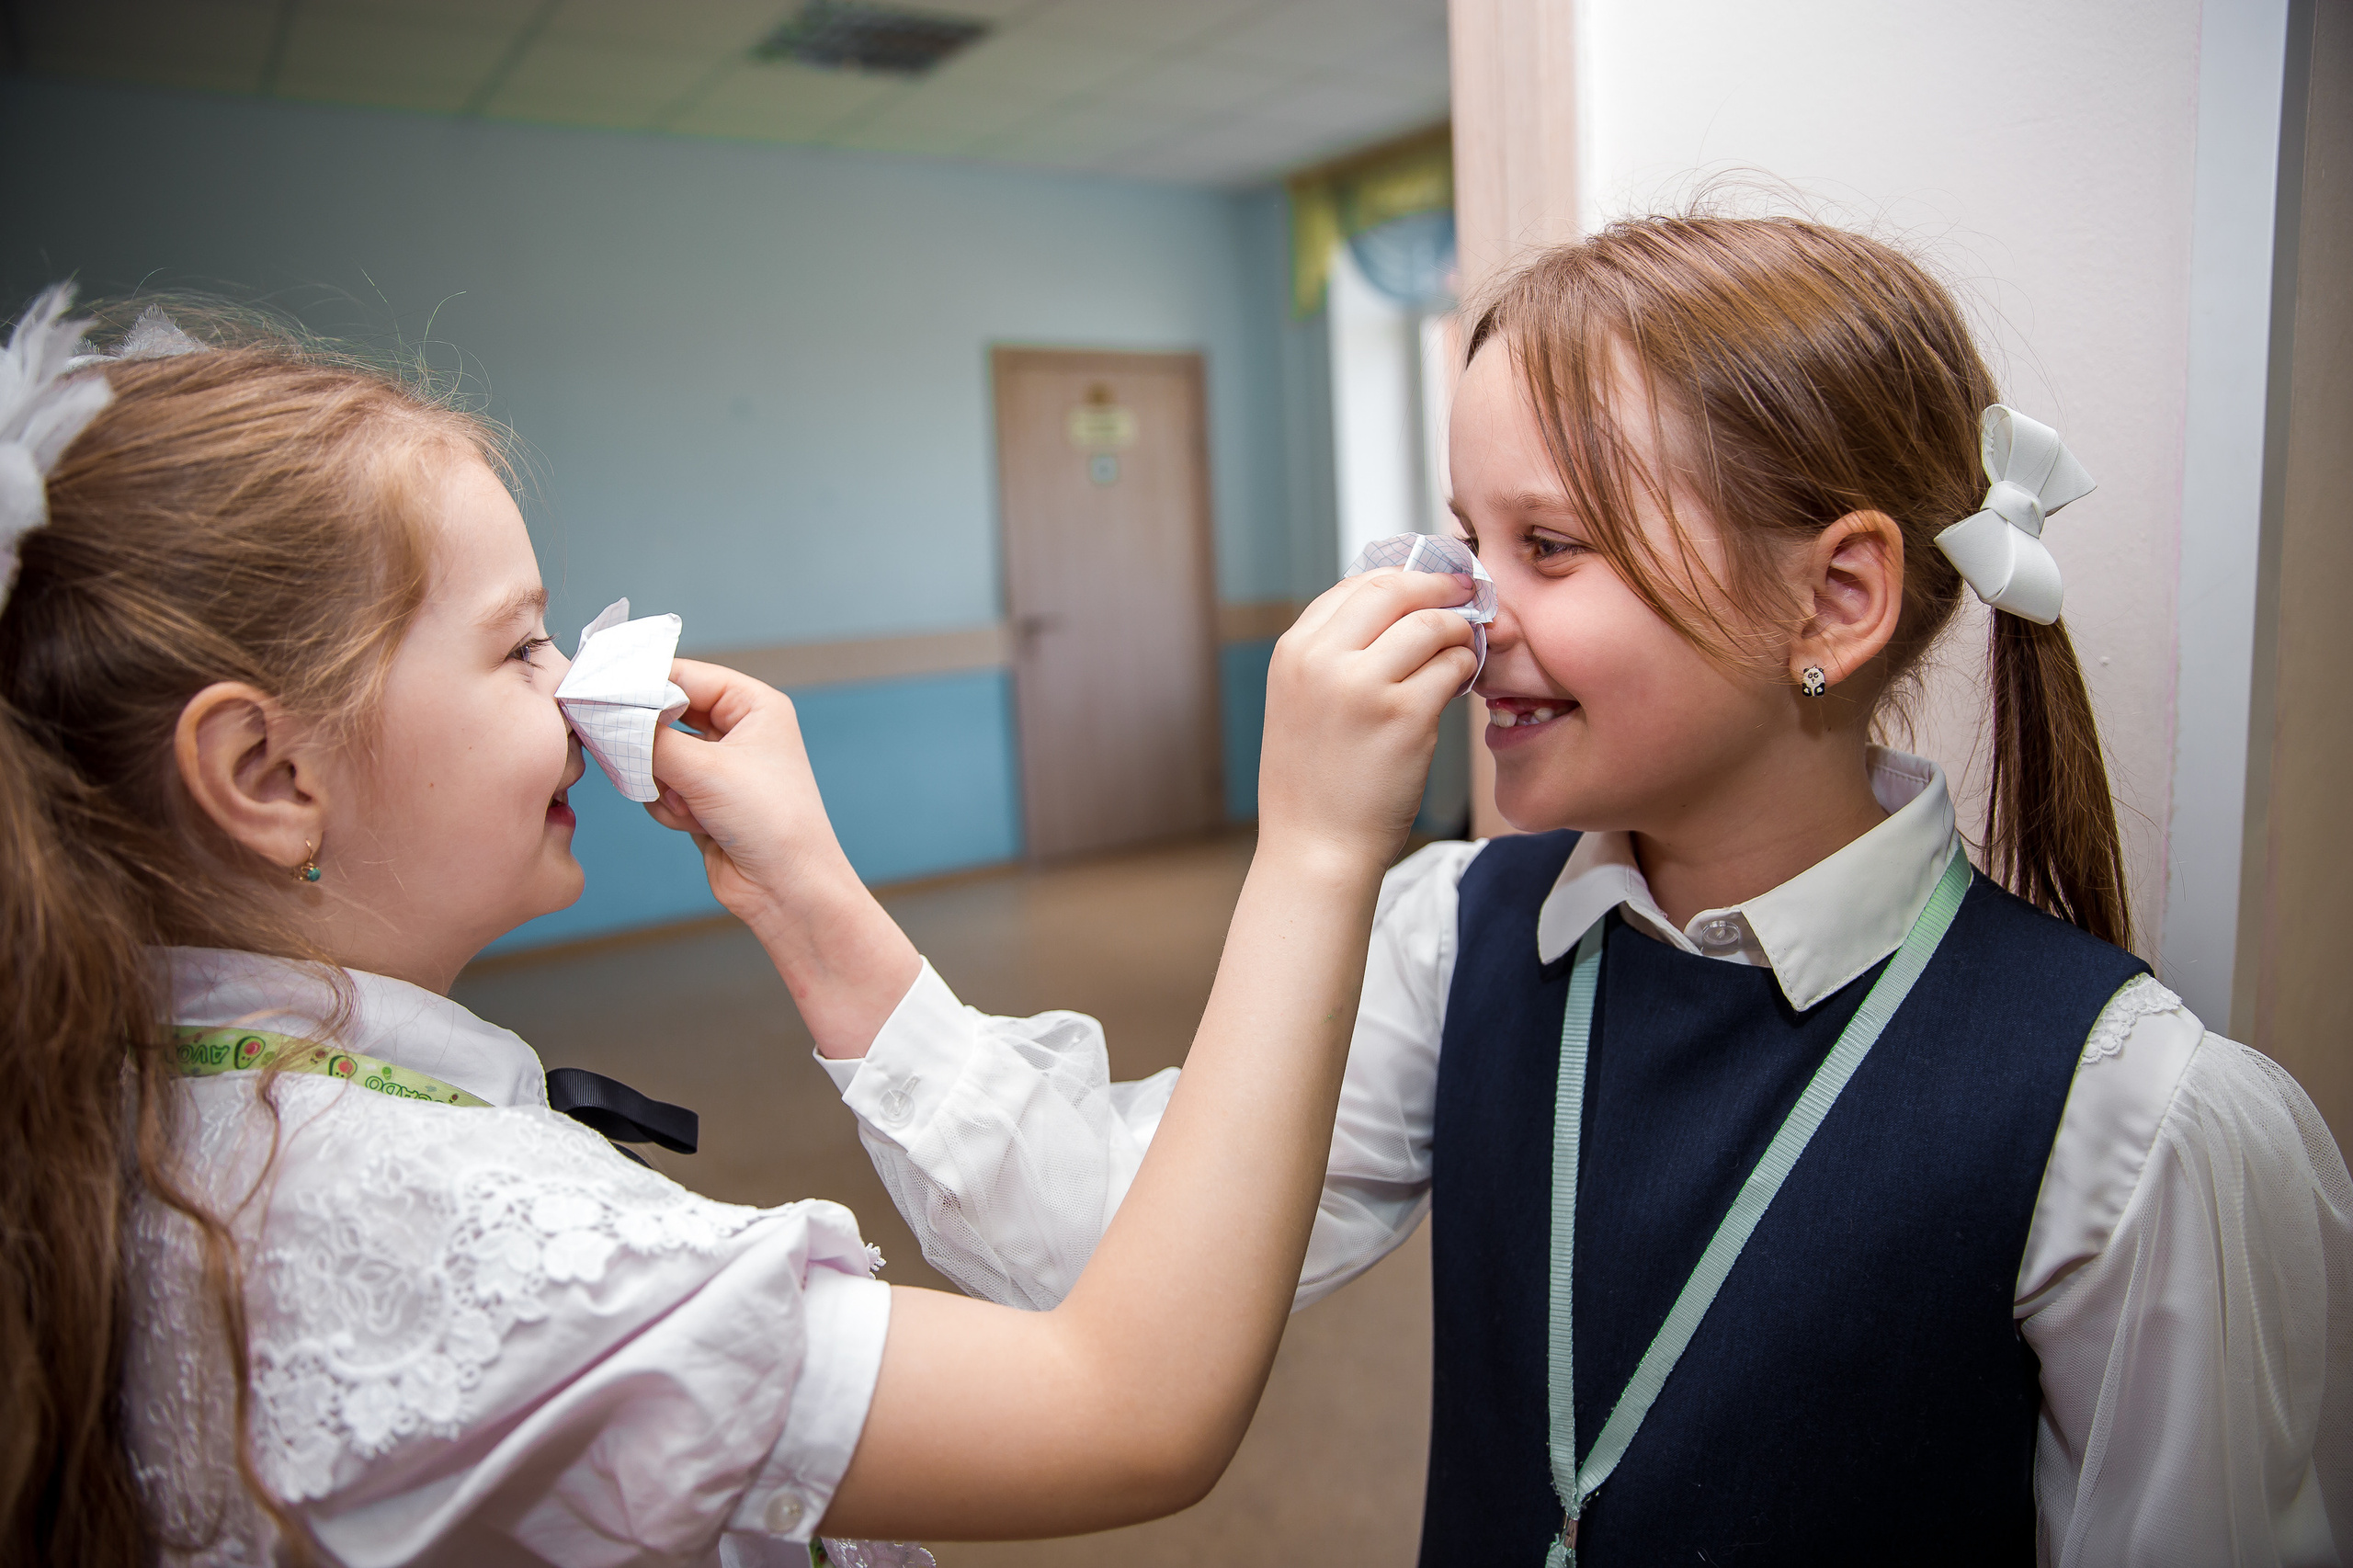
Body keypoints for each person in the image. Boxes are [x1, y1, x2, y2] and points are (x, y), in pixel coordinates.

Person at [772, 216, 2352, 1565]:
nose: (1464, 615)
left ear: (1839, 594)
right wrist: (801, 880)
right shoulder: (1458, 939)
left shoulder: (2138, 1124)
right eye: (1470, 539)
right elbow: (1099, 1249)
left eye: (1551, 545)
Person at [0, 285, 1480, 1565]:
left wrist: (793, 883)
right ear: (269, 775)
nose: (575, 686)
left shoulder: (147, 1105)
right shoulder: (425, 1231)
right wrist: (1317, 842)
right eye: (518, 644)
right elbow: (1124, 1406)